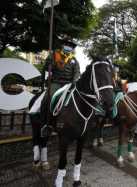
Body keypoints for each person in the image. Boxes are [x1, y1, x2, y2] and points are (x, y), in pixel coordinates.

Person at [33, 39, 80, 169]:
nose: (69, 47)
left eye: (71, 46)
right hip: (56, 83)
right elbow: (46, 69)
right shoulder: (54, 55)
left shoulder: (74, 60)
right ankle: (45, 123)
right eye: (67, 45)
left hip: (68, 84)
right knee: (48, 98)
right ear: (63, 46)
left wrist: (75, 81)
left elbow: (77, 73)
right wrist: (47, 74)